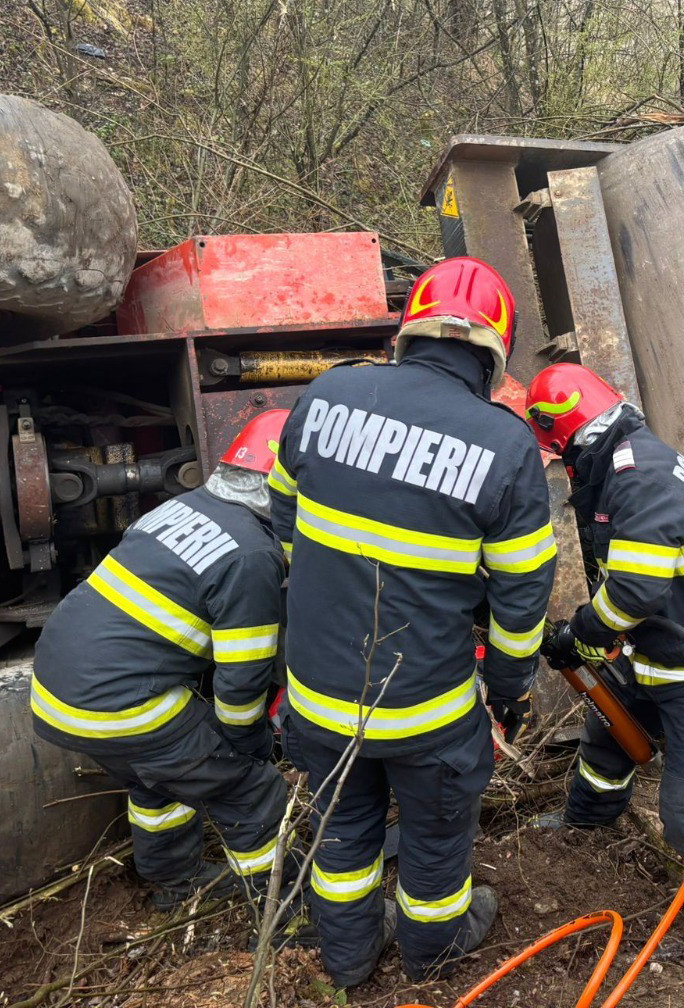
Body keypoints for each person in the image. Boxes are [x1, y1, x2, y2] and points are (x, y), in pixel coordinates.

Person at [267, 256, 555, 989]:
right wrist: (509, 690)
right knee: (434, 840)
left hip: (318, 699)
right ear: (494, 352)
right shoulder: (506, 446)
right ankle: (432, 953)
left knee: (341, 836)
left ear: (408, 330)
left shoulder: (327, 394)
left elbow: (284, 515)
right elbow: (522, 598)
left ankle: (349, 963)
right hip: (428, 710)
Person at [525, 362, 684, 984]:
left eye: (559, 454)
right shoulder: (622, 464)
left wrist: (583, 633)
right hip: (659, 655)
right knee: (608, 736)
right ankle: (589, 818)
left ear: (572, 438)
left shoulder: (641, 478)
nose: (562, 466)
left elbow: (634, 591)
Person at [31, 411, 290, 912]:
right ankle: (282, 909)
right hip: (120, 705)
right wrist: (251, 749)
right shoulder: (251, 555)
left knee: (158, 779)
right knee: (250, 791)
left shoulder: (181, 507)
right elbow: (241, 685)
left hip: (55, 693)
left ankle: (175, 885)